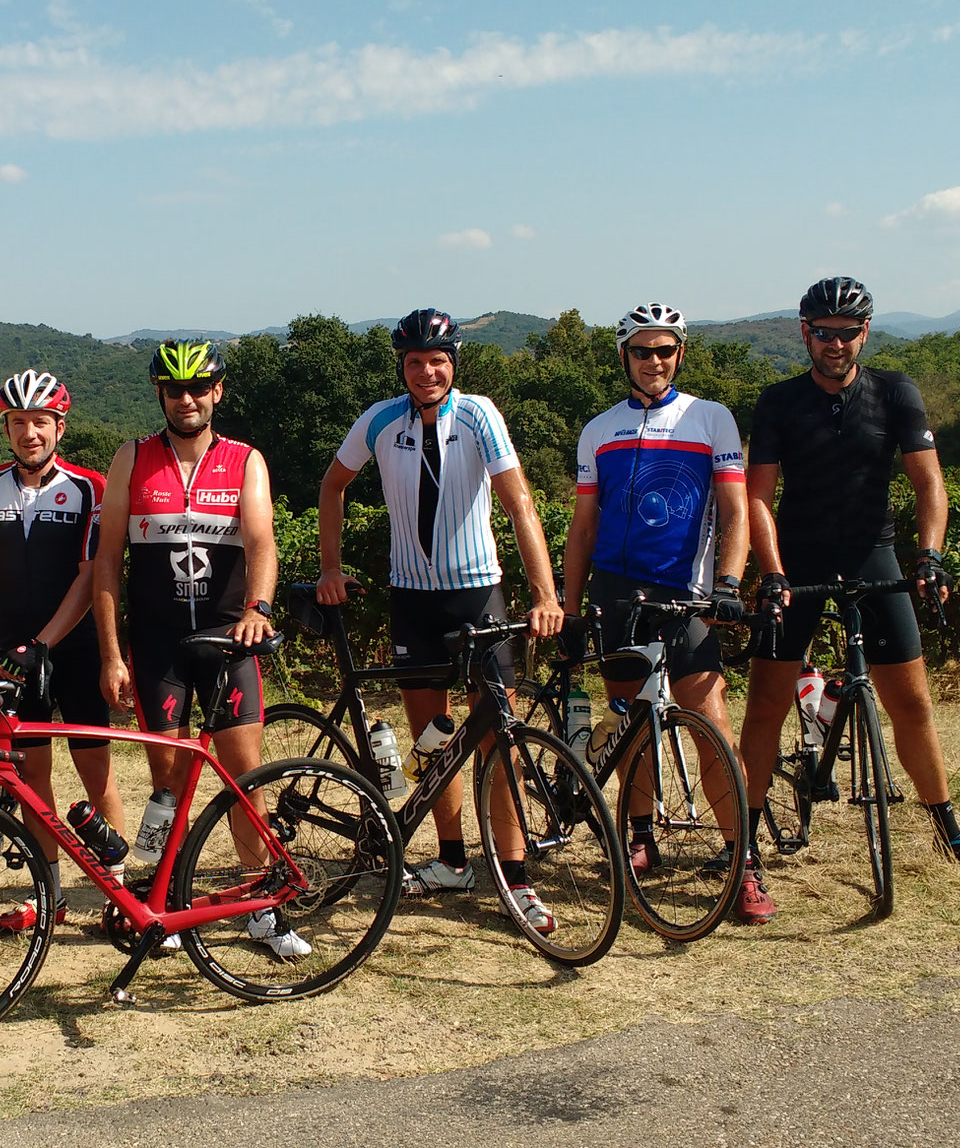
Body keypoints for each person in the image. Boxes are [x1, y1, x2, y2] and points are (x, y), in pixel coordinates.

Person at [740, 276, 960, 894]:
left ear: (864, 333)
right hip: (801, 560)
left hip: (874, 555)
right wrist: (772, 571)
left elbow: (928, 484)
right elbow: (759, 497)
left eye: (846, 333)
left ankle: (950, 830)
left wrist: (930, 556)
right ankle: (746, 844)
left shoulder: (895, 392)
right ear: (804, 333)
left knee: (912, 704)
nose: (834, 344)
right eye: (822, 333)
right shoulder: (779, 402)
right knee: (762, 706)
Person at [313, 308, 566, 929]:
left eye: (438, 361)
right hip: (413, 600)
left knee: (495, 739)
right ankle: (450, 859)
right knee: (435, 739)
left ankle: (514, 876)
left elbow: (519, 500)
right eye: (415, 362)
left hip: (477, 595)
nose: (427, 371)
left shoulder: (479, 414)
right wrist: (329, 566)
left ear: (453, 364)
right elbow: (332, 485)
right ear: (401, 366)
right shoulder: (379, 420)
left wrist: (545, 592)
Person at [553, 304, 764, 922]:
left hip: (684, 592)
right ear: (625, 357)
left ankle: (743, 860)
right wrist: (569, 610)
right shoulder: (599, 429)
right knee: (631, 723)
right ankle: (639, 833)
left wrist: (728, 581)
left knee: (712, 726)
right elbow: (584, 525)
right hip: (617, 594)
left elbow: (734, 511)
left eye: (665, 351)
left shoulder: (710, 419)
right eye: (642, 351)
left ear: (679, 355)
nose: (654, 361)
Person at [93, 340, 304, 957]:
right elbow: (107, 562)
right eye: (173, 389)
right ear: (160, 394)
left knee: (245, 778)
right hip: (158, 645)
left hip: (226, 640)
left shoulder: (245, 460)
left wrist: (257, 610)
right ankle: (163, 903)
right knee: (168, 781)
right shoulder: (132, 458)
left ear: (217, 393)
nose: (186, 399)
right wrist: (111, 654)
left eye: (197, 389)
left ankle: (262, 904)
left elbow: (261, 543)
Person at [0, 369, 117, 931]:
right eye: (17, 422)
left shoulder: (89, 486)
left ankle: (117, 894)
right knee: (33, 776)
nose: (29, 432)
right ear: (5, 427)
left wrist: (45, 643)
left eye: (40, 421)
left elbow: (90, 576)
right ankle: (50, 894)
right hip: (14, 654)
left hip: (73, 647)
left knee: (96, 775)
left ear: (60, 425)